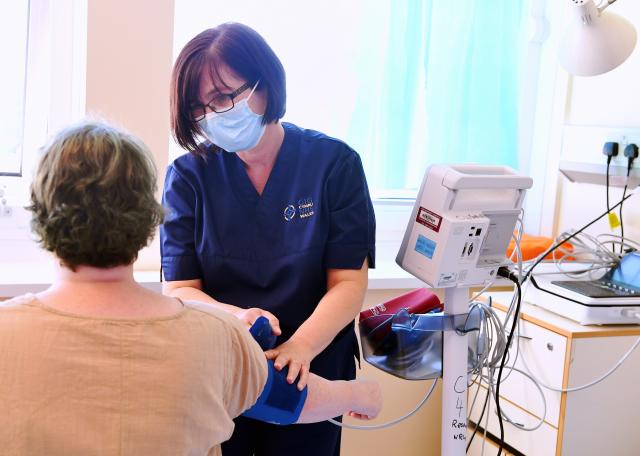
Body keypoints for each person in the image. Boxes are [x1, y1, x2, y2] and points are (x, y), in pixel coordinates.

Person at [0, 121, 382, 456]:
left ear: (40, 215)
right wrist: (359, 394)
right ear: (150, 219)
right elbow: (290, 401)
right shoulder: (215, 337)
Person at [162, 22, 376, 455]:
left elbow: (349, 284)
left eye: (223, 97)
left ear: (265, 83)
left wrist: (300, 346)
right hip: (226, 368)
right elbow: (181, 289)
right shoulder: (189, 177)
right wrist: (234, 318)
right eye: (198, 108)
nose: (212, 115)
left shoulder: (333, 165)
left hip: (316, 367)